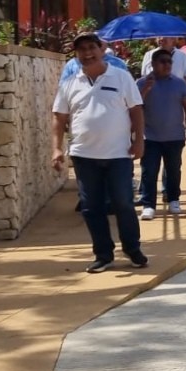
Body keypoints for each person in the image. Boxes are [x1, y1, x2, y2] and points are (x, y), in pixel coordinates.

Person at [51, 31, 148, 273]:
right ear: (76, 54)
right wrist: (56, 148)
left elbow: (136, 110)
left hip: (118, 154)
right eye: (81, 50)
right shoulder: (69, 83)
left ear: (101, 49)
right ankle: (103, 255)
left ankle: (132, 249)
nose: (87, 53)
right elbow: (59, 116)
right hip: (84, 155)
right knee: (91, 207)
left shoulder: (122, 77)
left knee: (123, 203)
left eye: (91, 48)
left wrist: (139, 141)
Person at [136, 48, 186, 219]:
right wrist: (146, 90)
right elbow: (134, 107)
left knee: (173, 170)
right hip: (150, 136)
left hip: (175, 136)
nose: (167, 64)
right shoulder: (142, 83)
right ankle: (149, 205)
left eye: (169, 61)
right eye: (163, 61)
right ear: (153, 64)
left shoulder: (179, 83)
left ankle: (173, 200)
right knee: (149, 171)